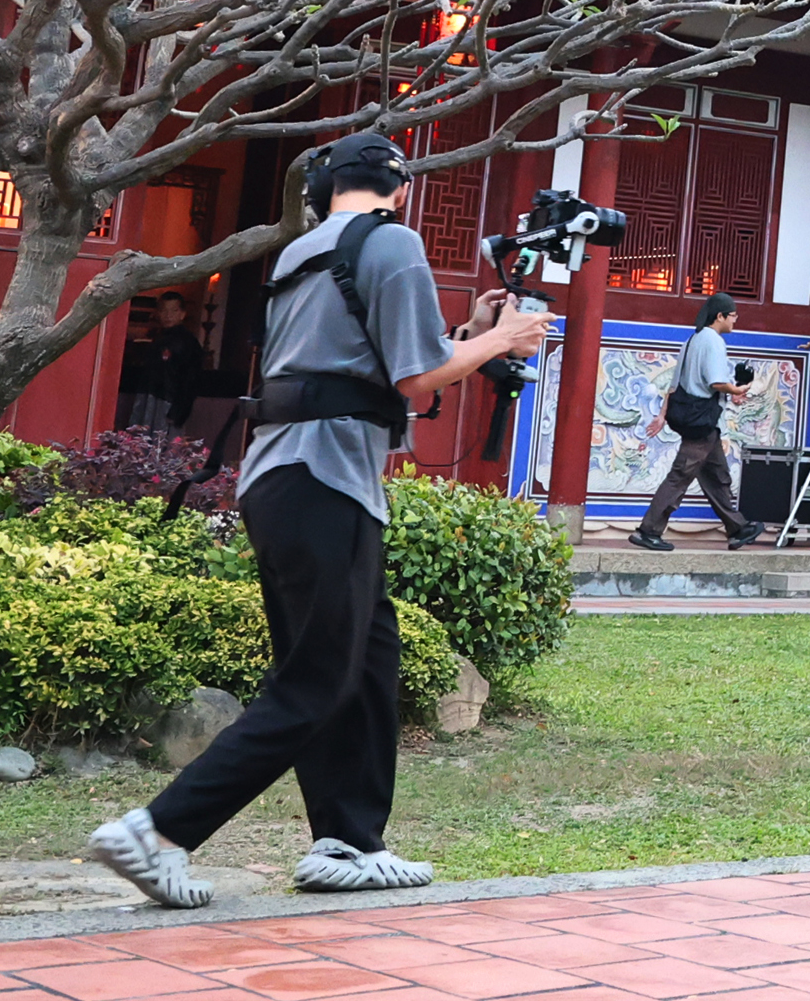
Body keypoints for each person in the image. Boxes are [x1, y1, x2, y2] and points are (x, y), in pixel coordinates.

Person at [83, 130, 547, 909]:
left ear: (324, 191)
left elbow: (372, 359)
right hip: (326, 478)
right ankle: (158, 832)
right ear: (400, 189)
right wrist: (502, 340)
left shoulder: (305, 253)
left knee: (367, 658)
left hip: (288, 478)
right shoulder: (393, 242)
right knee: (316, 679)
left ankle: (348, 843)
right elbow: (415, 378)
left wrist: (467, 334)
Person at [634, 290, 757, 552]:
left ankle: (738, 528)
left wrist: (662, 415)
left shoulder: (692, 340)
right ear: (720, 315)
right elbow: (715, 382)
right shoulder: (713, 341)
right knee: (679, 476)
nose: (735, 320)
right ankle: (649, 530)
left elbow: (674, 385)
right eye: (733, 315)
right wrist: (736, 390)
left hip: (698, 420)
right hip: (702, 423)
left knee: (717, 477)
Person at [117, 294, 203, 435]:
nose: (168, 315)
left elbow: (191, 380)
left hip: (169, 402)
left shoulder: (187, 342)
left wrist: (179, 411)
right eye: (164, 310)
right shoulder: (158, 337)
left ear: (182, 314)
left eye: (173, 311)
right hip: (148, 398)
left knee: (162, 447)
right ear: (158, 313)